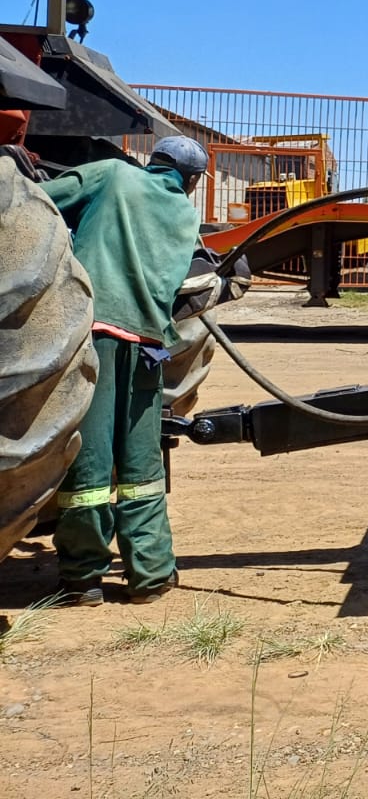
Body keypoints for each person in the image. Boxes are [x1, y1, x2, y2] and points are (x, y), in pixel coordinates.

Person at [41, 135, 207, 605]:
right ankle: (151, 575)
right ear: (190, 181)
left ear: (154, 162)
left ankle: (83, 577)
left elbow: (39, 203)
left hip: (93, 335)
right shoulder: (186, 214)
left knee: (89, 462)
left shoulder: (112, 174)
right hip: (150, 346)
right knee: (141, 466)